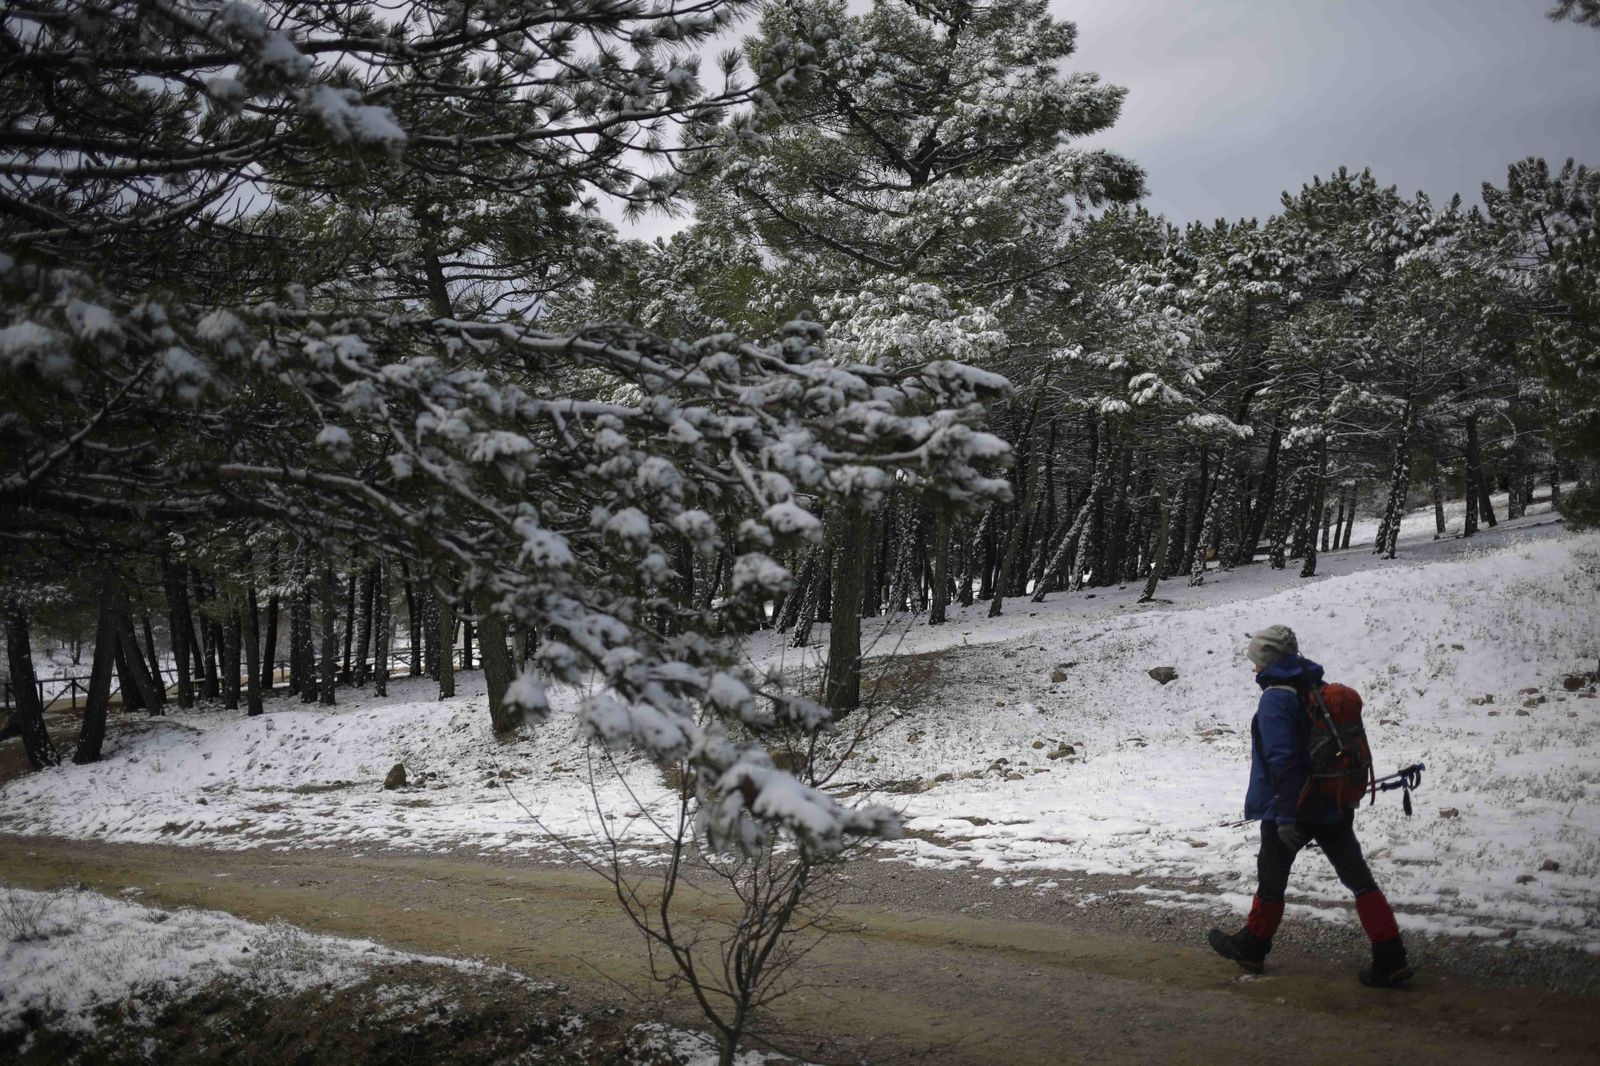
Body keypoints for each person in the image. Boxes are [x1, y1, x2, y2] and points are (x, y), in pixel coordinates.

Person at [1207, 624, 1413, 987]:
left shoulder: (1275, 698)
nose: (1253, 668)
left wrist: (1286, 814)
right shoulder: (1313, 687)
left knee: (1271, 878)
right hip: (1330, 803)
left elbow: (1283, 760)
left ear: (1268, 660)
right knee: (1358, 878)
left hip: (1291, 806)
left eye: (1256, 661)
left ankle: (1253, 947)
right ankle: (1391, 954)